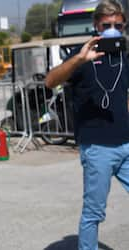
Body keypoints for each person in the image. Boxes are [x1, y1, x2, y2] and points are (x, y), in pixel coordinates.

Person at [45, 1, 129, 249]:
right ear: (96, 25)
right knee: (94, 212)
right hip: (97, 147)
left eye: (118, 25)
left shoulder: (124, 56)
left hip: (126, 143)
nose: (113, 29)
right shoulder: (80, 55)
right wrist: (79, 59)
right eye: (107, 25)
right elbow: (50, 81)